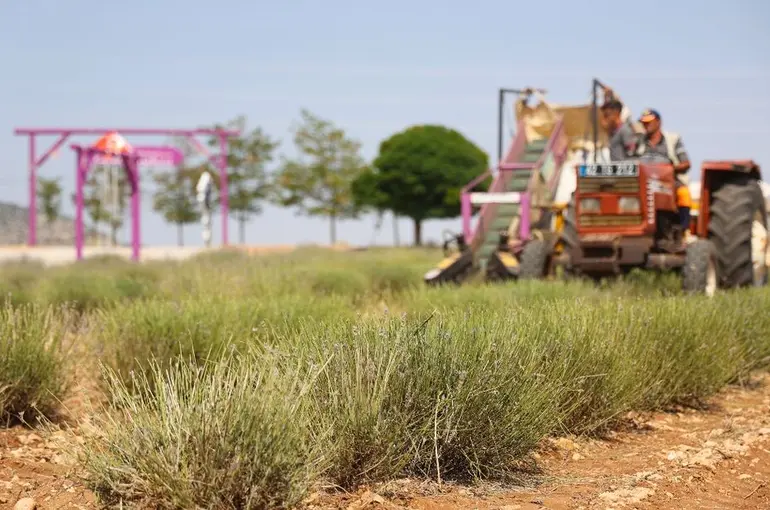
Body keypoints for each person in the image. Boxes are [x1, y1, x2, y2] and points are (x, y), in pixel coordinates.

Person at [634, 108, 693, 233]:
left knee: (684, 194)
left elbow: (686, 163)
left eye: (649, 122)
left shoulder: (672, 139)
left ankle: (684, 230)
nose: (646, 125)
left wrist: (669, 169)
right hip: (643, 182)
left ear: (658, 122)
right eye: (644, 123)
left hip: (668, 180)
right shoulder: (639, 142)